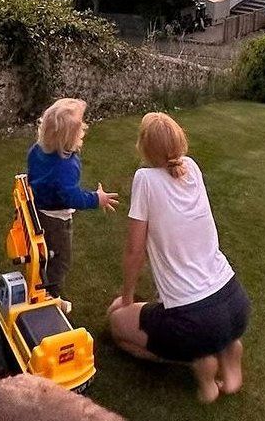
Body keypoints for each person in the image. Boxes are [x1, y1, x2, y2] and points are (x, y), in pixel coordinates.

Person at [108, 112, 250, 403]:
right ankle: (229, 351)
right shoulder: (192, 168)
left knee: (117, 323)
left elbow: (135, 251)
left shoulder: (145, 180)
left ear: (144, 148)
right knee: (212, 327)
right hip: (235, 302)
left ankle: (198, 362)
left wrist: (127, 298)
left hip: (194, 321)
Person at [27, 98, 118, 304]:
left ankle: (41, 282)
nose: (84, 129)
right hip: (56, 220)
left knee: (46, 253)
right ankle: (51, 296)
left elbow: (33, 175)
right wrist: (97, 198)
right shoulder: (65, 167)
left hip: (38, 210)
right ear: (70, 138)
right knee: (61, 259)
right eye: (80, 129)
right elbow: (72, 197)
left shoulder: (37, 151)